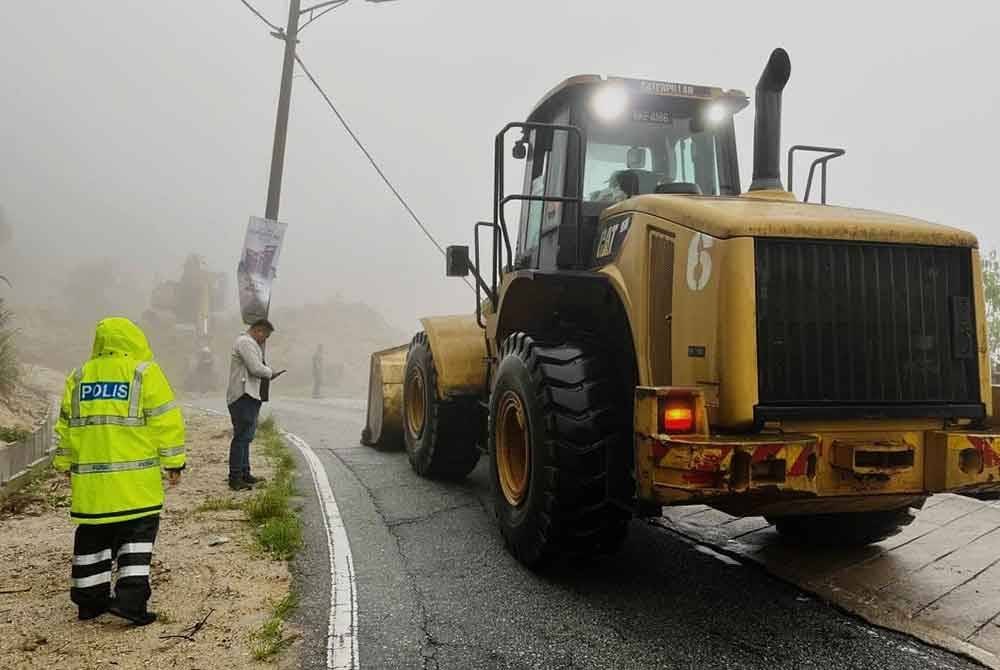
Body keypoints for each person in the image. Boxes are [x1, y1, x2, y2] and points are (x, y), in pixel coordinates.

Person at [53, 317, 186, 626]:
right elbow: (165, 421)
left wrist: (64, 465)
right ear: (135, 340)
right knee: (136, 541)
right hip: (135, 485)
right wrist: (174, 462)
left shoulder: (79, 376)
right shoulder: (144, 372)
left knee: (91, 540)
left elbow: (65, 426)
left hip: (92, 487)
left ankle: (89, 602)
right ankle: (130, 601)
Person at [227, 318, 279, 491]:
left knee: (246, 438)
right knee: (241, 437)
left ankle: (245, 473)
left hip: (250, 395)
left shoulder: (250, 343)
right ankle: (235, 478)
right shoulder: (245, 342)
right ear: (259, 331)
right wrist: (270, 373)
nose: (264, 340)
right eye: (265, 336)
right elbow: (255, 368)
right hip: (243, 395)